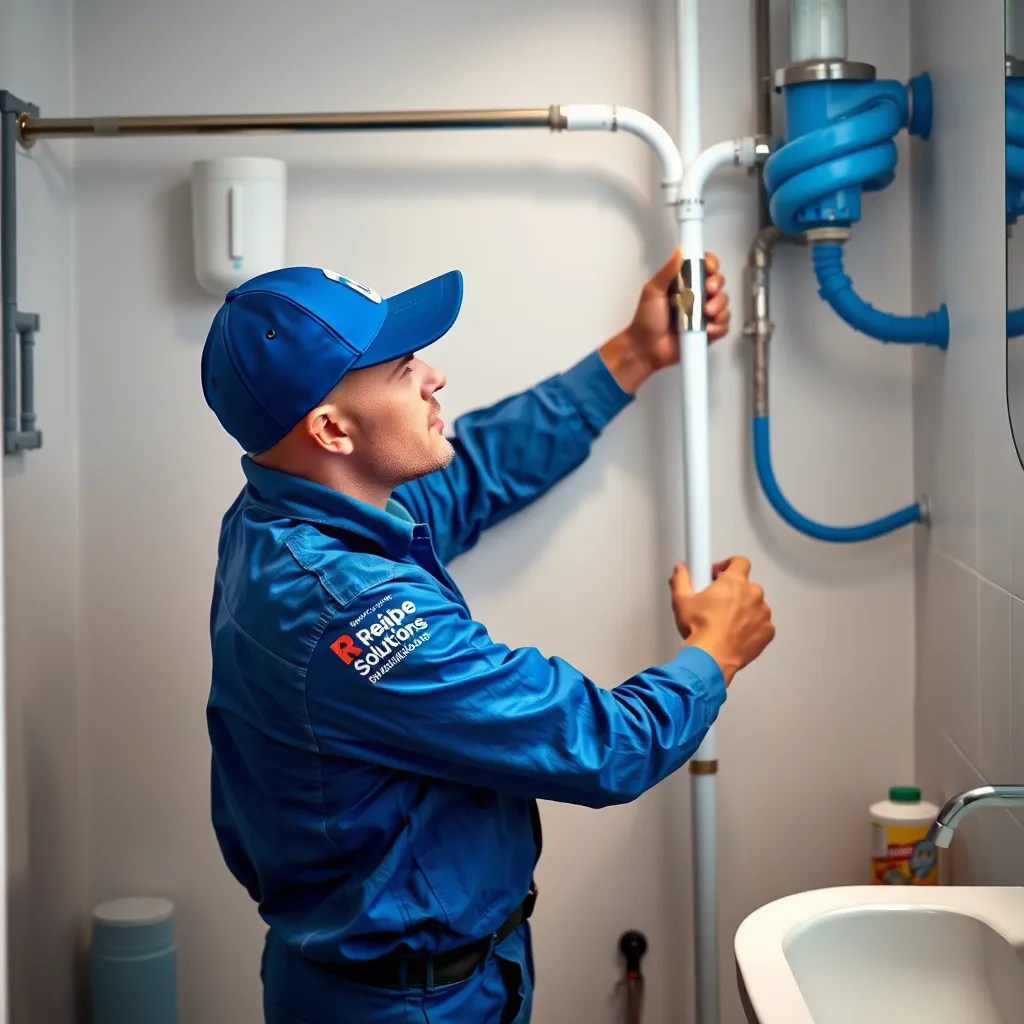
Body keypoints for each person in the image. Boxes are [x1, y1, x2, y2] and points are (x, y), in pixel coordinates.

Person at [200, 249, 775, 1024]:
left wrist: (634, 354)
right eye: (403, 369)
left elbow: (475, 472)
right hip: (409, 1005)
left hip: (412, 980)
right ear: (332, 429)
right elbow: (604, 745)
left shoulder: (283, 513)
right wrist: (716, 651)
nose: (434, 376)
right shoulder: (353, 613)